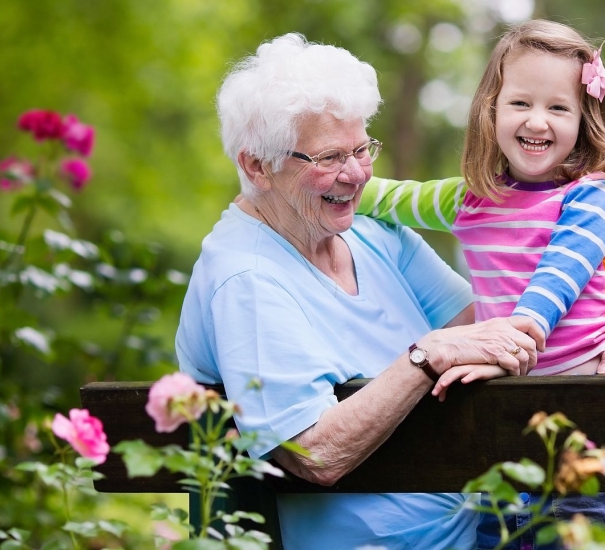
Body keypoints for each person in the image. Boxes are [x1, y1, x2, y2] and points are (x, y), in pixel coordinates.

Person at [174, 33, 551, 550]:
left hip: (487, 529)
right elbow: (314, 454)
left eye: (361, 148)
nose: (355, 175)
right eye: (328, 157)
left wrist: (596, 344)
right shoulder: (246, 280)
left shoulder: (371, 232)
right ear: (256, 166)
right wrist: (425, 357)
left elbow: (492, 326)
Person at [356, 19, 605, 550]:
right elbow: (390, 198)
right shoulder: (471, 198)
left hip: (589, 440)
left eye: (558, 108)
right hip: (507, 443)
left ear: (584, 119)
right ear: (491, 111)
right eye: (521, 103)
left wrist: (505, 347)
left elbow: (550, 290)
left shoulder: (592, 200)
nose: (537, 121)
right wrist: (336, 185)